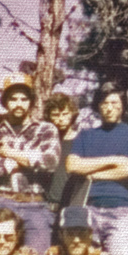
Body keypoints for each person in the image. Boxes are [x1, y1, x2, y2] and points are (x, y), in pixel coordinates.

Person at [0, 73, 61, 255]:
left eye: (24, 99)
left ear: (31, 101)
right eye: (13, 99)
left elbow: (50, 162)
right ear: (5, 102)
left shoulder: (46, 130)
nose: (19, 104)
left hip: (35, 204)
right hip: (1, 201)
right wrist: (31, 160)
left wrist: (9, 153)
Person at [66, 83, 128, 255]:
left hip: (120, 209)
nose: (109, 108)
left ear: (123, 106)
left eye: (114, 103)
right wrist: (114, 160)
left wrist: (94, 174)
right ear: (98, 106)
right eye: (104, 103)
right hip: (88, 207)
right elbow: (72, 165)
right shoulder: (85, 135)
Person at [44, 91, 83, 219]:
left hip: (72, 206)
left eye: (65, 114)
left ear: (72, 114)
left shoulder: (81, 141)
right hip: (45, 206)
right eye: (55, 115)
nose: (60, 119)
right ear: (49, 116)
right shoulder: (45, 142)